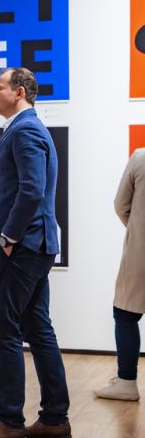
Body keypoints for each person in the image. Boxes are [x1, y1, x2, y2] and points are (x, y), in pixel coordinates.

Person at [0, 67, 71, 438]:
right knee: (37, 328)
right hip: (33, 246)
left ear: (20, 92)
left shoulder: (25, 131)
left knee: (3, 328)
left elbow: (31, 190)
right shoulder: (25, 129)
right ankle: (54, 419)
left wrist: (9, 236)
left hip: (22, 247)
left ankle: (10, 420)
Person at [95, 148, 145, 401]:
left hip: (141, 252)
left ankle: (126, 382)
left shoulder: (141, 157)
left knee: (125, 314)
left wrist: (137, 229)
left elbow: (121, 205)